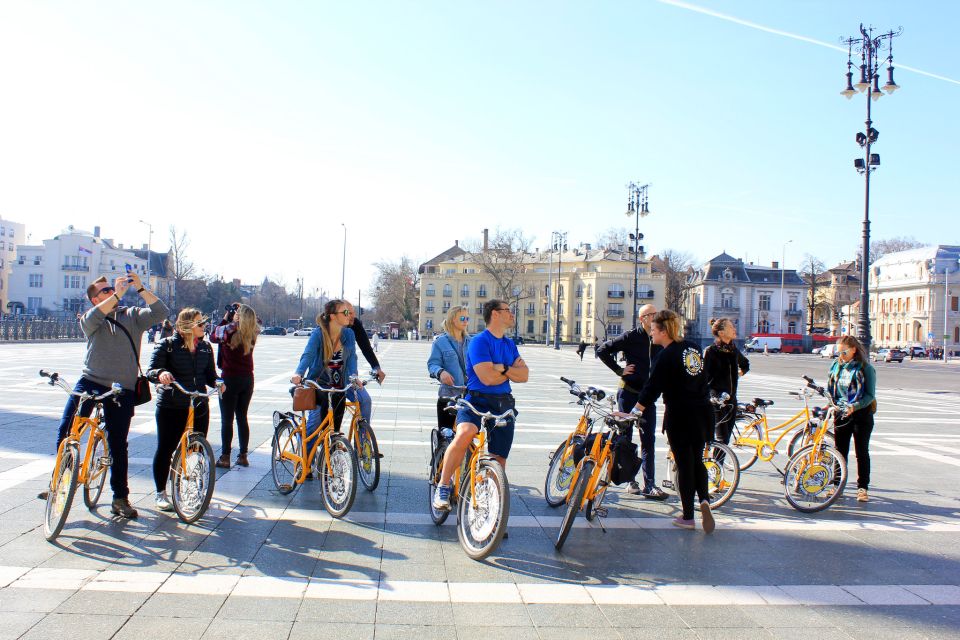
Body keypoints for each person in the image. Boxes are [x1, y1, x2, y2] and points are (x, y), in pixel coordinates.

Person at [41, 273, 168, 518]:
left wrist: (141, 289)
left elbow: (160, 312)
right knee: (66, 429)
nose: (112, 291)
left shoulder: (131, 316)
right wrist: (118, 294)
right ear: (94, 299)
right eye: (106, 290)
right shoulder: (92, 319)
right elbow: (91, 319)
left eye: (113, 289)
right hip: (91, 381)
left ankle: (120, 498)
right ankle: (60, 480)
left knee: (118, 444)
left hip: (122, 388)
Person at [433, 299, 529, 512]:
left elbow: (525, 376)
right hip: (475, 399)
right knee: (465, 433)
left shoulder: (509, 344)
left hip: (503, 403)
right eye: (508, 311)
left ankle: (491, 503)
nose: (512, 314)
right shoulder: (480, 342)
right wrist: (509, 373)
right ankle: (444, 486)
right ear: (495, 314)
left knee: (499, 459)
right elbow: (486, 377)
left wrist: (502, 368)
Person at [633, 310, 715, 532]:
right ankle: (705, 500)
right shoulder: (693, 348)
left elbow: (652, 389)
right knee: (697, 460)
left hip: (680, 414)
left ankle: (688, 516)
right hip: (703, 412)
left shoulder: (665, 356)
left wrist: (635, 410)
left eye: (653, 330)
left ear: (663, 331)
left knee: (684, 464)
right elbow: (702, 376)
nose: (651, 334)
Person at [146, 308, 220, 511]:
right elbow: (150, 371)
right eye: (199, 323)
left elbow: (210, 374)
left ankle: (195, 486)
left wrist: (219, 382)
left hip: (198, 403)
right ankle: (161, 492)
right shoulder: (168, 345)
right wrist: (161, 373)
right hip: (172, 403)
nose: (204, 326)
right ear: (186, 326)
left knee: (197, 447)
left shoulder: (205, 347)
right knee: (166, 448)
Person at [596, 303, 667, 500]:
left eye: (657, 314)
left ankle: (650, 484)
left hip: (648, 398)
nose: (655, 317)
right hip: (628, 393)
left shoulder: (660, 338)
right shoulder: (631, 336)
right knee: (626, 438)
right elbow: (603, 350)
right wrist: (619, 370)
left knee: (648, 440)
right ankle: (630, 480)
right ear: (642, 318)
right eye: (652, 314)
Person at [291, 299, 357, 434]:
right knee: (315, 425)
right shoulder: (318, 334)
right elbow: (308, 355)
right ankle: (306, 452)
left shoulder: (349, 334)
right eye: (345, 312)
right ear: (333, 316)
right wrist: (299, 373)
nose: (349, 315)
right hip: (318, 385)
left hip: (338, 385)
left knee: (335, 424)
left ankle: (333, 444)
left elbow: (351, 358)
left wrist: (354, 377)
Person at [827, 335, 876, 503]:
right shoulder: (836, 366)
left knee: (861, 452)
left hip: (861, 415)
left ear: (854, 349)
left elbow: (870, 395)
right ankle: (837, 485)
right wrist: (830, 404)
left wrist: (854, 406)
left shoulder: (865, 368)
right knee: (840, 451)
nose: (840, 355)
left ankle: (863, 488)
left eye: (844, 352)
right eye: (838, 352)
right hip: (841, 414)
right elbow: (831, 390)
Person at [209, 303, 258, 469]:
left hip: (230, 378)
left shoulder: (229, 329)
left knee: (227, 420)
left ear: (239, 316)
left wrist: (225, 318)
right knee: (242, 417)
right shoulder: (253, 331)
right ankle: (243, 455)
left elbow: (212, 336)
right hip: (247, 379)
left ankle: (225, 456)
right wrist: (238, 312)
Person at [703, 317, 750, 445]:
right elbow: (703, 378)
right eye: (730, 327)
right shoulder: (711, 351)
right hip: (717, 400)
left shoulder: (733, 350)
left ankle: (717, 464)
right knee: (722, 439)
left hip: (732, 399)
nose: (734, 329)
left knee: (726, 439)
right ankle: (715, 464)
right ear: (721, 332)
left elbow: (745, 364)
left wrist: (738, 374)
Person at [427, 305, 471, 437]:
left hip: (470, 396)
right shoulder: (440, 342)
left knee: (468, 436)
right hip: (449, 396)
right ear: (452, 320)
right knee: (446, 436)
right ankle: (441, 456)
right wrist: (440, 372)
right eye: (462, 318)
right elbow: (432, 364)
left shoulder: (472, 342)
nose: (465, 321)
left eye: (467, 318)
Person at [343, 301, 387, 425]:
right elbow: (310, 354)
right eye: (348, 313)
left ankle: (363, 441)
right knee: (320, 419)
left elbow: (365, 348)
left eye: (353, 313)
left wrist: (376, 368)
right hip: (326, 380)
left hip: (347, 378)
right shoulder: (324, 329)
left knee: (365, 400)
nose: (352, 316)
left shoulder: (353, 326)